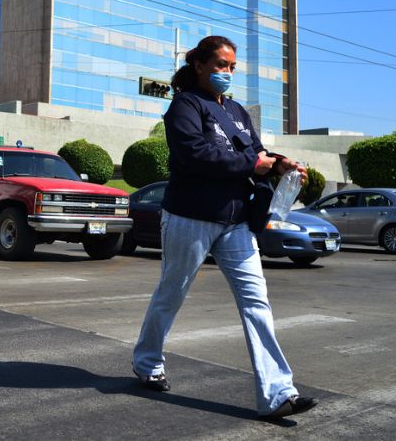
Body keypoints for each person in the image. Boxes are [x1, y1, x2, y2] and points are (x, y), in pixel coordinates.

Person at [131, 35, 317, 421]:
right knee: (172, 292)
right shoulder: (184, 105)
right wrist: (254, 165)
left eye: (232, 67)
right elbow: (196, 154)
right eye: (220, 65)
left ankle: (278, 393)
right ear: (199, 65)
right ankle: (148, 362)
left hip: (236, 223)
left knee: (256, 303)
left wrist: (282, 164)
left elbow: (256, 152)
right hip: (189, 217)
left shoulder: (236, 111)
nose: (227, 73)